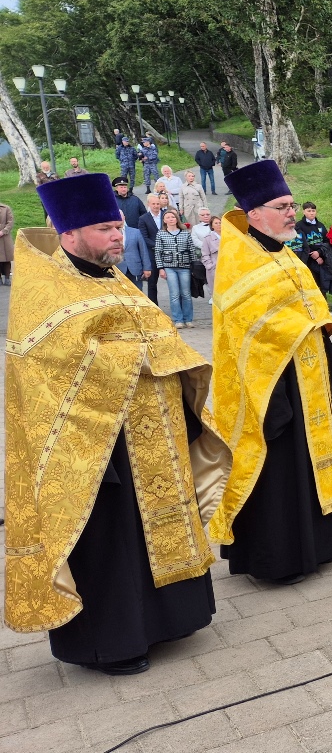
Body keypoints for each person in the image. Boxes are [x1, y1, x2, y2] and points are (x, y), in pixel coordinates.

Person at [5, 173, 231, 675]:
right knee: (113, 539)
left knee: (152, 529)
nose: (118, 235)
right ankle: (113, 643)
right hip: (94, 445)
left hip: (155, 431)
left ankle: (170, 621)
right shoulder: (46, 287)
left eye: (117, 226)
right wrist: (139, 356)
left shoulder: (114, 278)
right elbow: (49, 361)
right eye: (105, 228)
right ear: (69, 233)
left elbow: (157, 334)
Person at [209, 159, 332, 585]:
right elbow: (243, 331)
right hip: (272, 385)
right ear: (255, 213)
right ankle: (279, 558)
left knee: (310, 461)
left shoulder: (284, 253)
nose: (292, 213)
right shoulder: (241, 261)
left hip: (308, 374)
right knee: (280, 467)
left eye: (292, 205)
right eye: (282, 206)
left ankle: (321, 543)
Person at [154, 208, 197, 328]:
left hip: (184, 267)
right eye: (168, 217)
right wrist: (161, 268)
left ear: (177, 219)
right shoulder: (161, 233)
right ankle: (178, 319)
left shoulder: (185, 233)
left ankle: (188, 319)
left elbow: (192, 250)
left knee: (186, 293)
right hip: (169, 267)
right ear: (164, 220)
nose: (171, 219)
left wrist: (194, 266)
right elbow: (158, 252)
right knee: (174, 294)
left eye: (173, 217)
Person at [294, 201, 331, 291]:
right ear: (303, 212)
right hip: (308, 260)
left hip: (322, 259)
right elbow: (302, 244)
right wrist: (314, 256)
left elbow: (326, 241)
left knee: (323, 284)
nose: (311, 213)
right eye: (309, 211)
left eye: (313, 211)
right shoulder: (299, 226)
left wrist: (319, 253)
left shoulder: (320, 225)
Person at [136, 192, 165, 304]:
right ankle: (154, 306)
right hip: (152, 255)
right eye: (153, 204)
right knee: (152, 283)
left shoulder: (167, 215)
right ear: (149, 204)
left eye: (158, 203)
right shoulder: (143, 219)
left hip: (169, 253)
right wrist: (158, 246)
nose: (156, 206)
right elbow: (144, 237)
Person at [116, 208, 152, 286]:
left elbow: (143, 251)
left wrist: (147, 268)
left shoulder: (136, 232)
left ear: (124, 217)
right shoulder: (110, 234)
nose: (118, 219)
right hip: (118, 269)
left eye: (120, 216)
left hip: (135, 269)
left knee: (138, 292)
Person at [200, 215, 221, 296]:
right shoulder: (208, 238)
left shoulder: (228, 236)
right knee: (217, 292)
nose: (219, 225)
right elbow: (205, 254)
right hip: (215, 267)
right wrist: (209, 266)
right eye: (216, 223)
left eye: (220, 222)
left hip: (228, 266)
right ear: (212, 226)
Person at [0, 201, 13, 285]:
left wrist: (3, 231)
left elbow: (10, 222)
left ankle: (7, 278)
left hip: (5, 237)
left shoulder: (6, 208)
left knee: (7, 259)